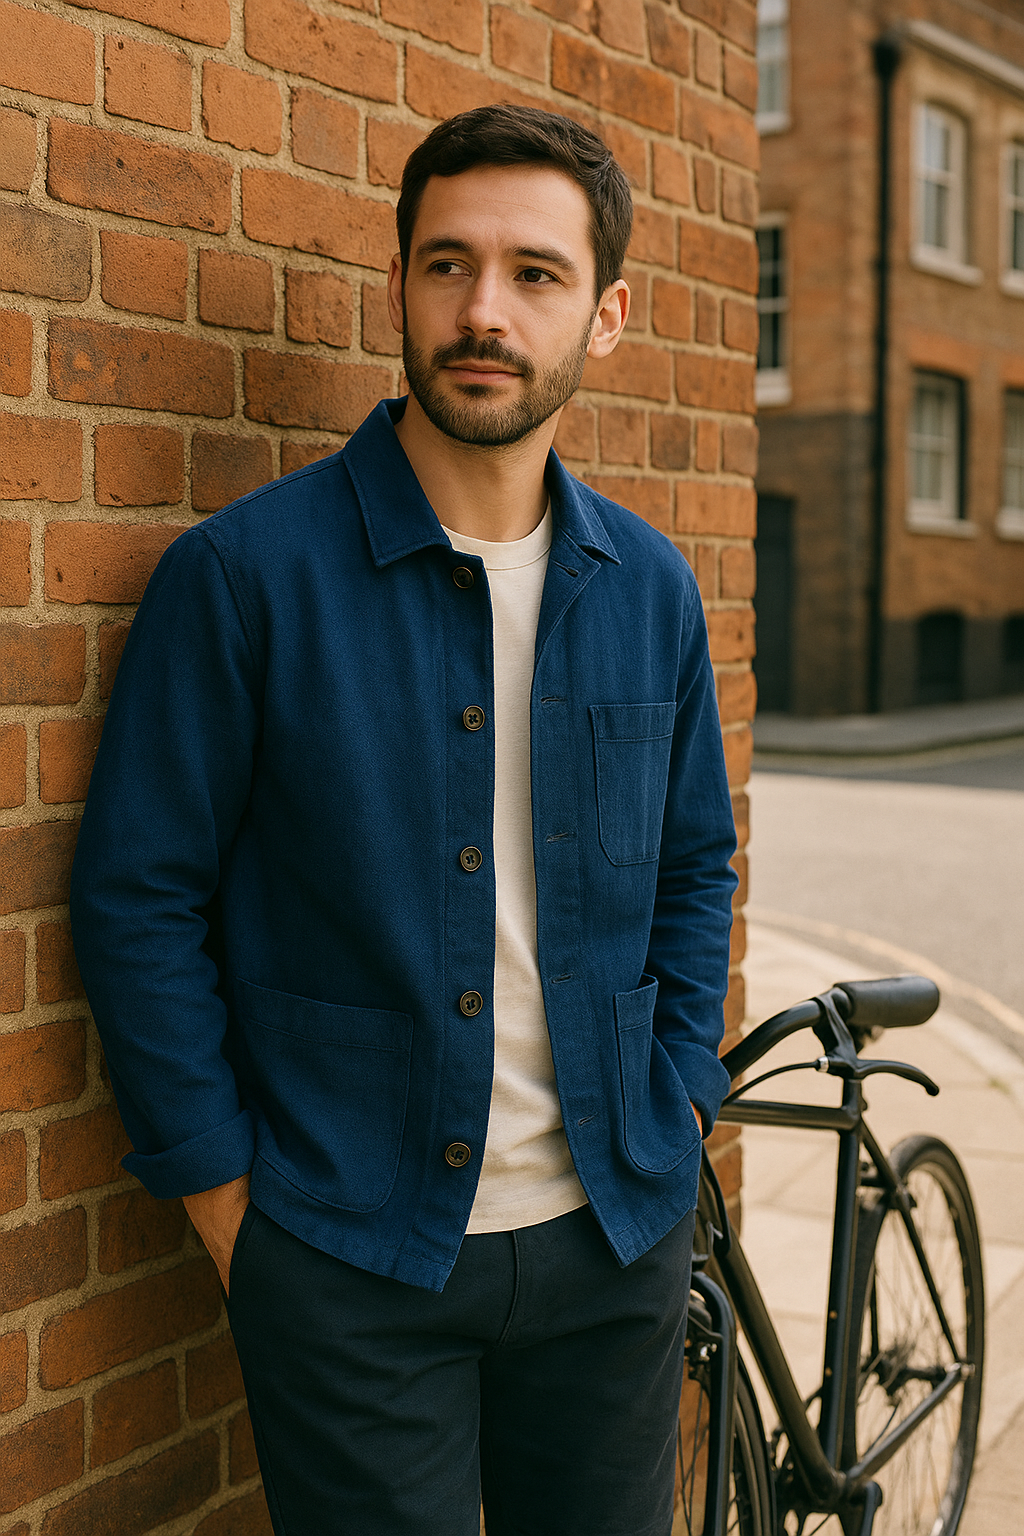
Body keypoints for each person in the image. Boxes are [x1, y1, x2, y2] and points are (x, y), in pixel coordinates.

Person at [70, 105, 738, 1536]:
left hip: (615, 1239)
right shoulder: (245, 579)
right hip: (348, 1263)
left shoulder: (653, 591)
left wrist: (682, 1095)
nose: (484, 310)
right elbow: (139, 897)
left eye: (536, 273)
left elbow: (694, 866)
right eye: (448, 264)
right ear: (399, 288)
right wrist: (228, 1208)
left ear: (607, 315)